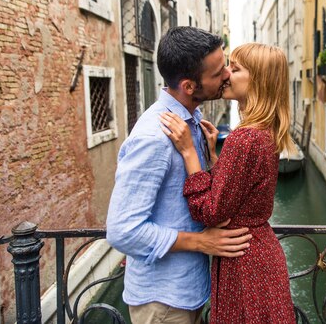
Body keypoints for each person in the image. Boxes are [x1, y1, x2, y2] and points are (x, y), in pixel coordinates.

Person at [106, 27, 253, 324]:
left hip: (186, 291)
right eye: (217, 72)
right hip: (162, 303)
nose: (227, 74)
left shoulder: (193, 122)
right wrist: (201, 242)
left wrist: (210, 157)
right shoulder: (154, 138)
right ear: (189, 86)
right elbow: (122, 230)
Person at [160, 43, 296, 324]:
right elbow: (239, 190)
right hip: (258, 253)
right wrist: (214, 157)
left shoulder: (244, 139)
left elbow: (210, 212)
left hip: (244, 260)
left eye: (235, 69)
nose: (226, 75)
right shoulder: (262, 132)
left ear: (257, 80)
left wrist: (189, 153)